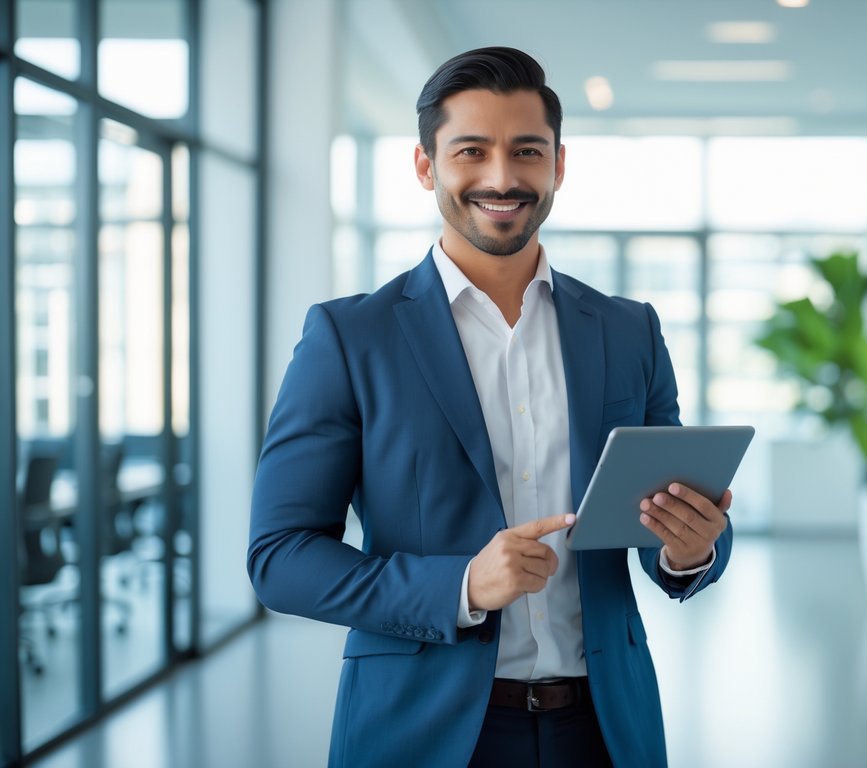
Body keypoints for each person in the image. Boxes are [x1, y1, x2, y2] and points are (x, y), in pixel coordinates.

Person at [248, 46, 735, 767]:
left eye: (526, 151)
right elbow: (280, 557)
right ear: (426, 166)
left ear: (558, 165)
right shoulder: (351, 338)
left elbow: (668, 511)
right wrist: (462, 586)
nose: (502, 178)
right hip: (421, 730)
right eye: (470, 151)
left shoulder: (629, 330)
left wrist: (690, 549)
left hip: (604, 729)